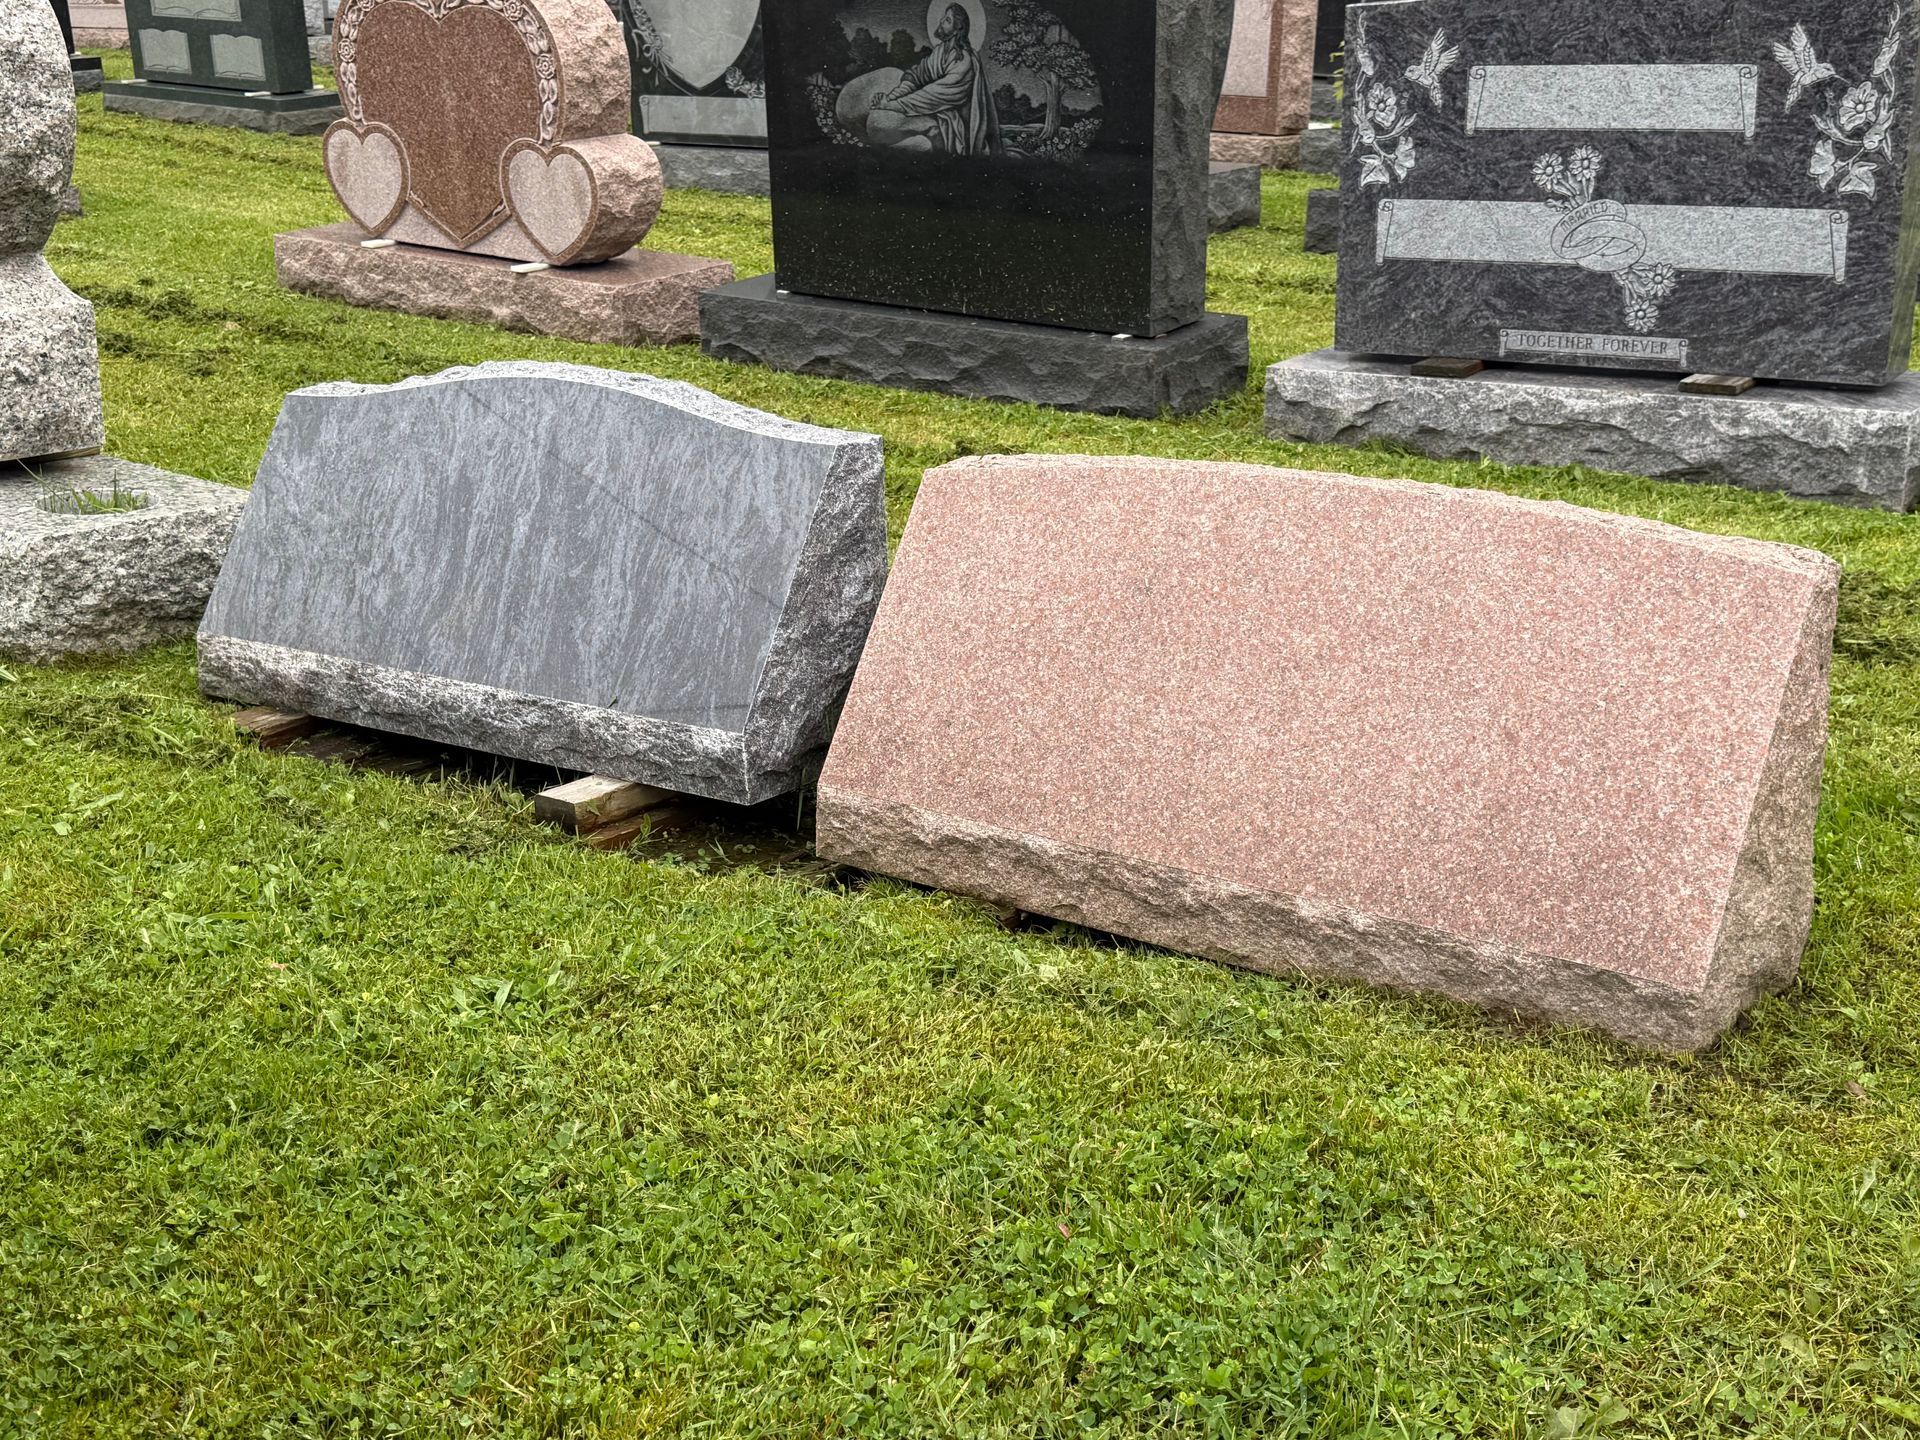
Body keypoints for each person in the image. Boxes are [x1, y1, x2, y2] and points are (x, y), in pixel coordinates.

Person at [870, 4, 1001, 155]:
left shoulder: (964, 60)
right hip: (936, 112)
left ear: (958, 28)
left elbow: (933, 94)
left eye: (947, 20)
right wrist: (889, 97)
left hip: (957, 126)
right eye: (943, 17)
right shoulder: (939, 52)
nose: (940, 21)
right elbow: (916, 76)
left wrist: (892, 105)